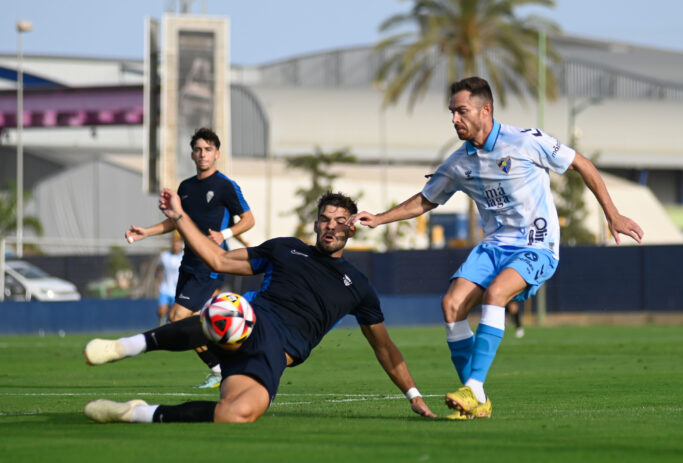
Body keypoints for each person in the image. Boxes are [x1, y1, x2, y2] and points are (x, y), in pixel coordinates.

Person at [349, 76, 643, 420]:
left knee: (496, 294)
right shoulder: (459, 162)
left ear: (485, 110)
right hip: (494, 246)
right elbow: (426, 200)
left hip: (537, 244)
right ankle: (476, 397)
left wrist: (613, 214)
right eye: (452, 112)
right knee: (451, 305)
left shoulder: (524, 141)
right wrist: (379, 219)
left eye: (461, 111)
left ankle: (473, 388)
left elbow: (582, 164)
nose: (454, 119)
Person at [83, 191, 435, 424]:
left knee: (235, 414)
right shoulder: (286, 248)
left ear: (352, 228)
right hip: (254, 321)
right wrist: (179, 217)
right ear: (315, 224)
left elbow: (385, 349)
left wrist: (414, 395)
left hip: (275, 355)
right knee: (226, 312)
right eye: (325, 219)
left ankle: (135, 414)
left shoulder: (358, 286)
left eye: (340, 221)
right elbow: (218, 258)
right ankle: (126, 346)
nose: (331, 226)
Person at [124, 127, 255, 388]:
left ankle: (219, 367)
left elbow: (249, 220)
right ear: (192, 155)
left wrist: (224, 233)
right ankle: (230, 361)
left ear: (217, 154)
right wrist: (145, 233)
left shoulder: (225, 186)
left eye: (208, 149)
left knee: (177, 318)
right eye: (198, 150)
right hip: (188, 263)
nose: (203, 154)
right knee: (198, 321)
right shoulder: (185, 187)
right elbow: (176, 222)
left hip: (211, 263)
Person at [155, 231, 184, 326]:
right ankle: (160, 325)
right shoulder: (164, 256)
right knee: (161, 311)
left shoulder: (183, 257)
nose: (176, 245)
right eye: (174, 243)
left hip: (177, 290)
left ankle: (169, 329)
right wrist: (158, 278)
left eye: (178, 243)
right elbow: (159, 268)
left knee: (173, 315)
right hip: (165, 288)